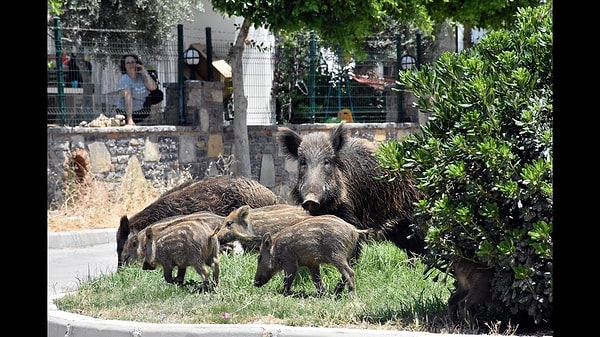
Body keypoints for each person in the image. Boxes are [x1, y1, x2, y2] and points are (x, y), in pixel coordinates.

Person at [115, 54, 158, 126]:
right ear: (124, 66)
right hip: (127, 113)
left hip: (141, 112)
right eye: (128, 63)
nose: (131, 64)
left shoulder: (142, 77)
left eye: (133, 62)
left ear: (137, 63)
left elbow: (153, 87)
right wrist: (130, 119)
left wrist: (145, 72)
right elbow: (128, 99)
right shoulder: (125, 79)